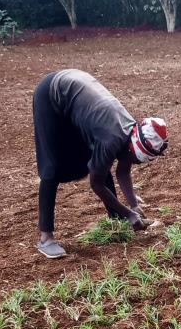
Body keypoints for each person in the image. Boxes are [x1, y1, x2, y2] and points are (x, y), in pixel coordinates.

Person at [32, 69, 168, 259]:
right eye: (136, 160)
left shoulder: (129, 130)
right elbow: (96, 184)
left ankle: (116, 218)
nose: (133, 163)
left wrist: (133, 206)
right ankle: (46, 238)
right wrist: (129, 213)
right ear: (134, 148)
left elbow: (122, 172)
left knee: (101, 163)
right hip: (51, 93)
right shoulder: (112, 139)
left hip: (73, 92)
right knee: (52, 168)